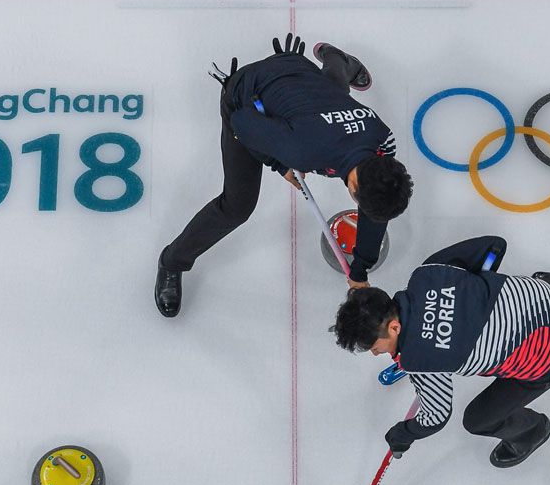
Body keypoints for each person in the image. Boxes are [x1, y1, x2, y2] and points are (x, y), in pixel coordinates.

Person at [155, 33, 414, 317]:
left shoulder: (383, 140)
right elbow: (242, 124)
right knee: (237, 206)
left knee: (334, 97)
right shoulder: (304, 150)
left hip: (302, 78)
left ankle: (336, 59)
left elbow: (376, 207)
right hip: (247, 93)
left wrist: (360, 267)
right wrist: (279, 164)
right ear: (353, 188)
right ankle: (172, 262)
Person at [330, 236, 550, 467]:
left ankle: (531, 431)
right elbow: (494, 246)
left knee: (477, 420)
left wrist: (402, 434)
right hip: (547, 298)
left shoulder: (422, 359)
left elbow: (436, 416)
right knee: (527, 292)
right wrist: (470, 299)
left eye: (376, 347)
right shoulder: (429, 272)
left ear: (394, 327)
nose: (376, 354)